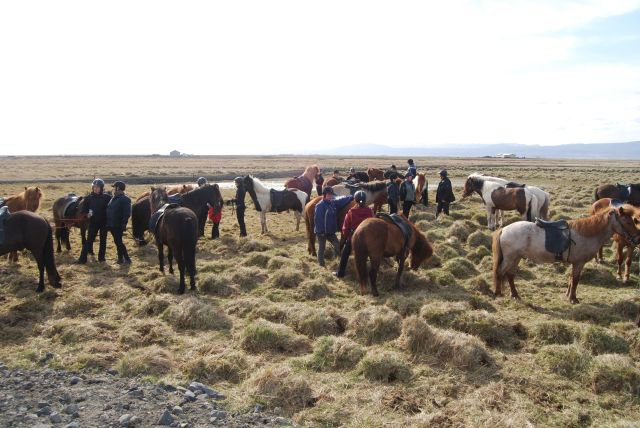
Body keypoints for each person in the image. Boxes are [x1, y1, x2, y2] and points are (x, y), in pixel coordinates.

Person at [335, 191, 373, 277]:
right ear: (365, 200)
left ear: (355, 200)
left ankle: (340, 273)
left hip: (354, 238)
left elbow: (345, 227)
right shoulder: (370, 211)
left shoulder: (351, 212)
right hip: (367, 239)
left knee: (345, 255)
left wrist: (346, 237)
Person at [314, 187, 354, 267]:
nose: (331, 196)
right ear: (324, 195)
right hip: (321, 232)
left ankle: (336, 261)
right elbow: (318, 220)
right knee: (322, 247)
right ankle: (321, 264)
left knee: (337, 244)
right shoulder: (320, 206)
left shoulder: (332, 203)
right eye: (329, 195)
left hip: (330, 231)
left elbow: (342, 200)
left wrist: (352, 197)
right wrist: (321, 232)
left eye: (331, 194)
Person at [77, 178, 111, 264]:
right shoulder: (88, 198)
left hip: (104, 222)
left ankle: (101, 258)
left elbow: (111, 209)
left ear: (102, 188)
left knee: (103, 240)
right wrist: (87, 215)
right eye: (94, 187)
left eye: (98, 187)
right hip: (93, 222)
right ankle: (82, 259)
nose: (95, 189)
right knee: (89, 240)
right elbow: (83, 211)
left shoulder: (107, 197)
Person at [106, 181, 132, 264]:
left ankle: (127, 259)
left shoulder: (124, 199)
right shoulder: (114, 198)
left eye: (114, 187)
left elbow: (127, 213)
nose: (113, 189)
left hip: (118, 225)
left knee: (119, 242)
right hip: (112, 224)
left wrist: (124, 223)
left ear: (118, 188)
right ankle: (120, 259)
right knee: (117, 242)